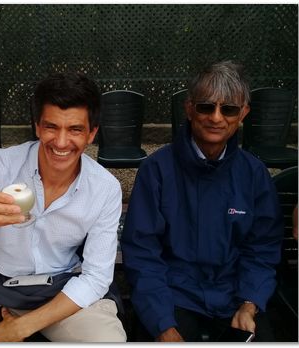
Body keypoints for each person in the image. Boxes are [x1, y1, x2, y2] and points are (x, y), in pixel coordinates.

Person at [0, 72, 127, 342]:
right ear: (37, 127)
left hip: (61, 283)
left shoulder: (104, 187)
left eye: (75, 129)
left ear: (92, 133)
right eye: (51, 127)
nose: (61, 142)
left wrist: (22, 326)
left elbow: (97, 277)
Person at [121, 61, 283, 342]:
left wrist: (250, 303)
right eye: (206, 106)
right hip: (174, 298)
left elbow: (262, 249)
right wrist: (162, 324)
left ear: (243, 113)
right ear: (189, 108)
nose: (216, 118)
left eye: (229, 109)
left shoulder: (254, 173)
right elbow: (142, 253)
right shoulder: (157, 170)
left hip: (235, 296)